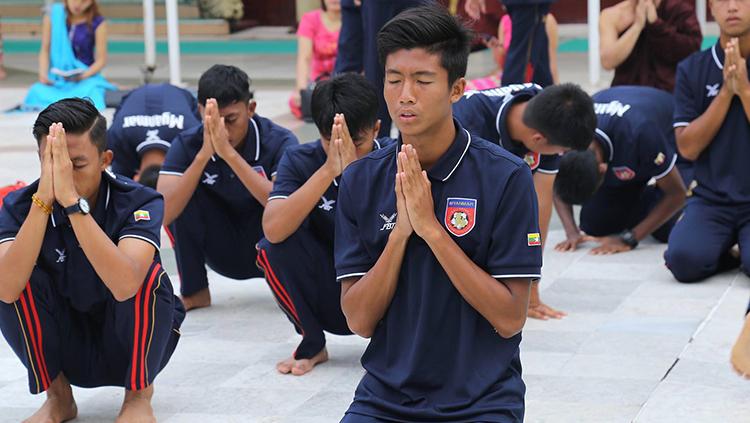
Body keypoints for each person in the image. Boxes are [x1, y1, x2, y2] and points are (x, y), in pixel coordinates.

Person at [336, 6, 542, 421]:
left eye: (422, 80)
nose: (404, 94)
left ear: (456, 89)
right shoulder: (360, 180)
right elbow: (358, 319)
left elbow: (510, 318)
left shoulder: (506, 177)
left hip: (482, 401)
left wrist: (432, 230)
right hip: (385, 399)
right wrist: (399, 235)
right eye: (394, 80)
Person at [0, 98, 184, 423]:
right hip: (67, 347)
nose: (63, 175)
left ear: (105, 160)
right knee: (12, 272)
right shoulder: (19, 206)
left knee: (148, 276)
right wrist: (43, 201)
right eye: (53, 162)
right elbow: (6, 289)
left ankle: (139, 397)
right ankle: (58, 399)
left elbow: (127, 285)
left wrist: (72, 204)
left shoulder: (139, 200)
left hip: (131, 342)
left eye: (77, 165)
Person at [258, 73, 385, 376]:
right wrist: (329, 170)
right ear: (319, 133)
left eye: (357, 142)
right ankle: (312, 342)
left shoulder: (394, 156)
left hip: (380, 288)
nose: (347, 151)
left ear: (377, 128)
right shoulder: (300, 160)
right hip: (329, 286)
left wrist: (356, 173)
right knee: (270, 248)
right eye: (333, 141)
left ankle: (398, 344)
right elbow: (273, 229)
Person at [157, 65, 298, 311]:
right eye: (213, 120)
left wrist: (229, 154)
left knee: (299, 202)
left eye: (231, 119)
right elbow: (165, 212)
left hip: (267, 243)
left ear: (251, 109)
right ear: (200, 111)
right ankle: (195, 291)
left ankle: (298, 288)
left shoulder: (279, 141)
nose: (222, 130)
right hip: (220, 247)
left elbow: (287, 209)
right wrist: (204, 155)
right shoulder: (187, 143)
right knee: (180, 192)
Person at [453, 82, 596, 319]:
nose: (560, 156)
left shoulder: (547, 110)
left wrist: (530, 284)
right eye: (561, 151)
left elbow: (539, 205)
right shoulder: (465, 125)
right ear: (538, 140)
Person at [663, 0, 750, 284]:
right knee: (683, 261)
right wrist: (727, 91)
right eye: (723, 1)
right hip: (711, 199)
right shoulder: (692, 68)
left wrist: (744, 90)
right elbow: (687, 148)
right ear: (711, 8)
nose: (732, 7)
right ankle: (730, 252)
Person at [553, 85, 687, 255]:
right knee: (594, 224)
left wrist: (630, 238)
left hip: (673, 143)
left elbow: (677, 193)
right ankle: (644, 198)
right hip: (630, 153)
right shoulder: (567, 135)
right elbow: (559, 182)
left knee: (665, 228)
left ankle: (665, 193)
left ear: (603, 170)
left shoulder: (639, 131)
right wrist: (572, 232)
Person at [24, 0, 114, 110]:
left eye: (84, 1)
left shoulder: (98, 22)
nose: (78, 4)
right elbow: (45, 49)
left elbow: (101, 61)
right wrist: (43, 74)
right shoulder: (53, 15)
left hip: (84, 79)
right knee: (36, 90)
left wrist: (82, 76)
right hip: (57, 80)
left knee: (93, 93)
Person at [108, 83, 201, 186]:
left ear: (136, 178)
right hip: (167, 95)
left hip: (172, 95)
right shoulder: (191, 137)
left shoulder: (191, 136)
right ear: (136, 177)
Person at [599, 0, 701, 92]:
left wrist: (656, 24)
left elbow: (692, 51)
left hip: (668, 94)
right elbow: (607, 62)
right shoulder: (613, 15)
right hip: (626, 93)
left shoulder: (680, 11)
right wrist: (637, 27)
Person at [466, 0, 557, 87]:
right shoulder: (506, 21)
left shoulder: (548, 20)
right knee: (524, 61)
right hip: (527, 4)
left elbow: (550, 60)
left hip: (529, 5)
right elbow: (502, 62)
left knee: (538, 62)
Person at [290, 0, 342, 119]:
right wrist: (301, 90)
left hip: (344, 79)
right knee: (300, 103)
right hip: (317, 82)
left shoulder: (355, 19)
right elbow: (304, 57)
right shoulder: (310, 19)